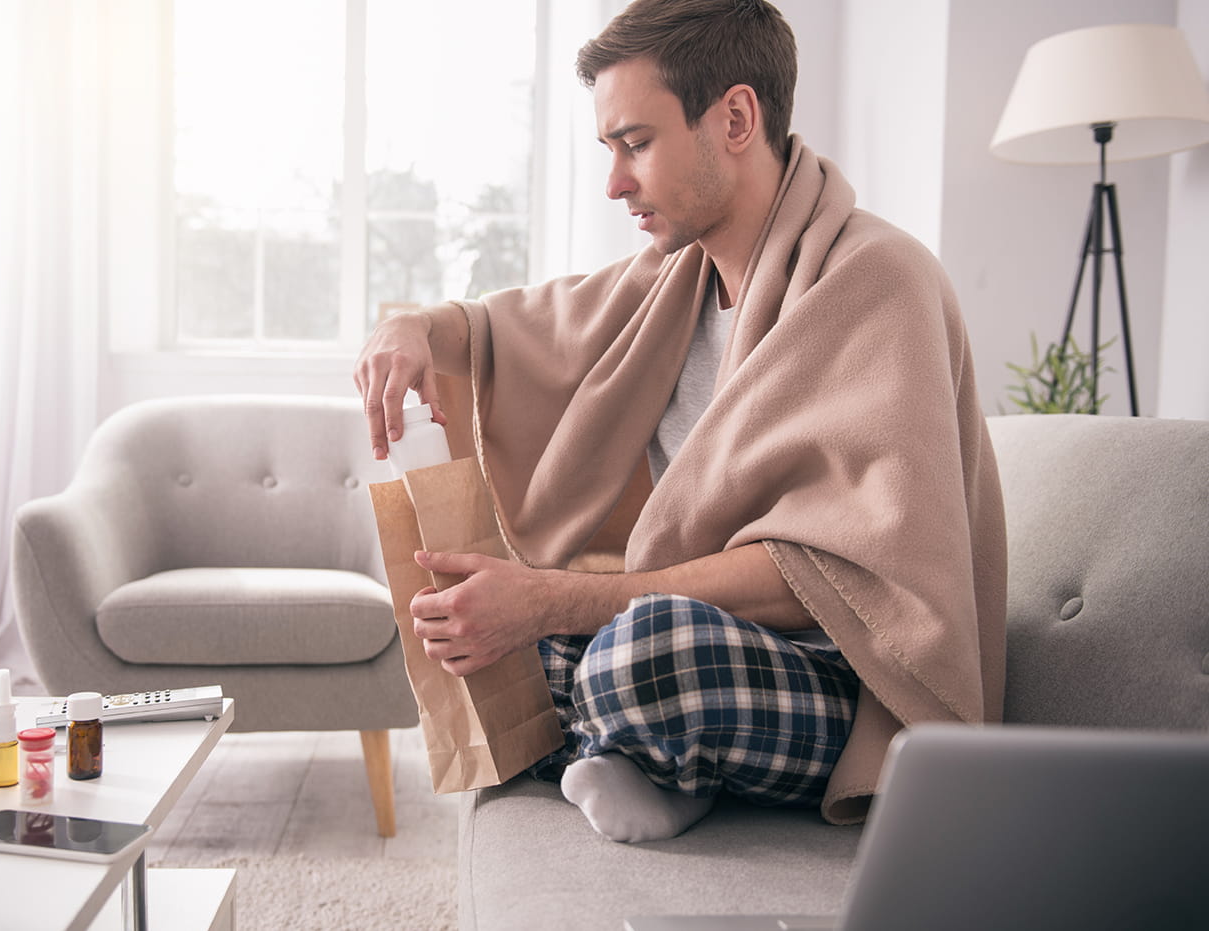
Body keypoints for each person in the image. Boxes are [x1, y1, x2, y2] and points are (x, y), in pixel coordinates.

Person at [355, 0, 1005, 843]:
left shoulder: (878, 281)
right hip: (695, 644)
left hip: (840, 679)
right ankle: (646, 756)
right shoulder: (669, 283)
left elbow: (836, 578)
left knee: (644, 648)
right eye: (610, 150)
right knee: (476, 634)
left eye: (636, 143)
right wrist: (407, 327)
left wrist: (556, 601)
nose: (615, 181)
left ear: (735, 117)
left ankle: (631, 742)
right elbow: (512, 328)